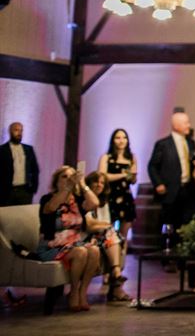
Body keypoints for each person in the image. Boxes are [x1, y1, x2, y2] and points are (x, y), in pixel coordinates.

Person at [36, 166, 101, 312]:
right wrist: (67, 188)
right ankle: (73, 293)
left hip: (74, 244)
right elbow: (52, 207)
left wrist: (82, 184)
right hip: (51, 246)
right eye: (64, 177)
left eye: (71, 177)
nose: (69, 180)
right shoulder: (47, 199)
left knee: (95, 250)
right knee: (80, 252)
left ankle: (82, 293)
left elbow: (94, 203)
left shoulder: (76, 201)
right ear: (56, 181)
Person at [148, 112, 195, 241]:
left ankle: (184, 248)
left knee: (186, 221)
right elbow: (152, 166)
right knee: (169, 221)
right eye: (186, 123)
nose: (189, 125)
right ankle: (167, 247)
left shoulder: (190, 142)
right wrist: (158, 183)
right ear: (176, 125)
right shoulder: (163, 144)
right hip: (170, 190)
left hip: (187, 188)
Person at [83, 171, 131, 302]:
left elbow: (106, 223)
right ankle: (116, 281)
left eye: (102, 183)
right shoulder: (84, 200)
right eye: (96, 181)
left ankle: (116, 277)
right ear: (89, 183)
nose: (99, 185)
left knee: (115, 238)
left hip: (101, 236)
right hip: (85, 236)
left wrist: (100, 225)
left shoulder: (104, 202)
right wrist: (101, 225)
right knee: (113, 236)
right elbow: (88, 225)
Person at [95, 128, 137, 259]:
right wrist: (122, 174)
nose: (121, 141)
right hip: (110, 196)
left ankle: (120, 263)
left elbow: (133, 180)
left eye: (124, 138)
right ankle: (109, 263)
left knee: (124, 235)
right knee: (109, 232)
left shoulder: (131, 158)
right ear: (113, 140)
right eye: (118, 138)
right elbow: (102, 176)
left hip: (126, 197)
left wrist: (132, 175)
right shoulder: (106, 157)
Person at [1, 121, 40, 206]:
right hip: (7, 192)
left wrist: (33, 188)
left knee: (23, 213)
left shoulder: (28, 149)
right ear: (10, 131)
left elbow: (35, 169)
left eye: (21, 130)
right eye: (16, 130)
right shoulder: (2, 150)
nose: (19, 133)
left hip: (25, 191)